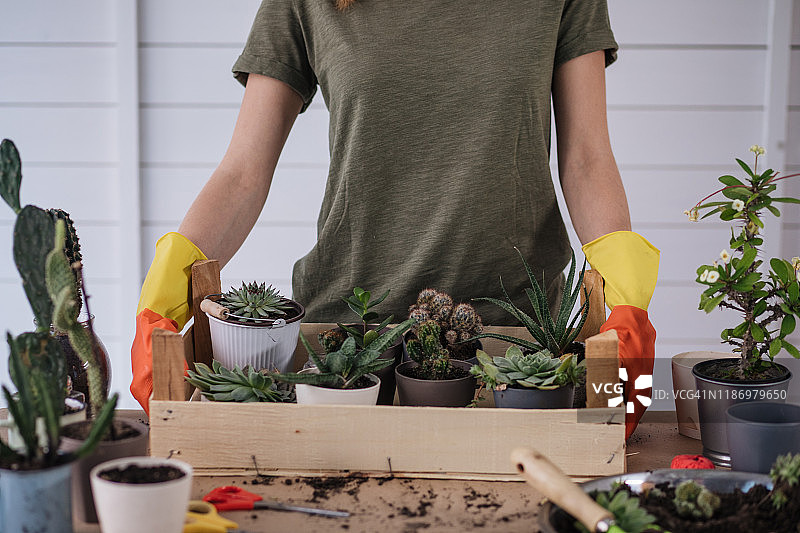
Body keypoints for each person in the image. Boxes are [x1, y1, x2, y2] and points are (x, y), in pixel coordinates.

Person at [132, 0, 659, 437]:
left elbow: (587, 157)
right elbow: (243, 173)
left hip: (518, 346)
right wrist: (162, 296)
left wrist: (629, 302)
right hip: (346, 348)